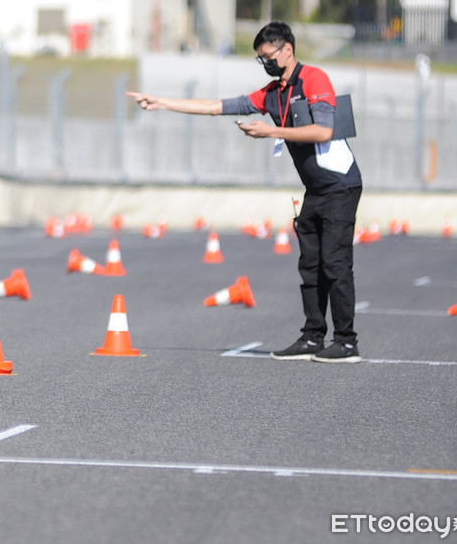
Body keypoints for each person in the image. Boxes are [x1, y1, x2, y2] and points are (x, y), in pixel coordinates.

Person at [126, 21, 363, 364]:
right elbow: (216, 106)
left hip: (341, 185)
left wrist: (271, 132)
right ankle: (313, 337)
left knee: (335, 263)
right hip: (315, 189)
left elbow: (324, 131)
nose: (265, 62)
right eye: (260, 59)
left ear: (287, 50)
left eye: (268, 56)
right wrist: (161, 102)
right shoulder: (272, 93)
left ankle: (346, 341)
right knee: (310, 265)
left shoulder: (314, 79)